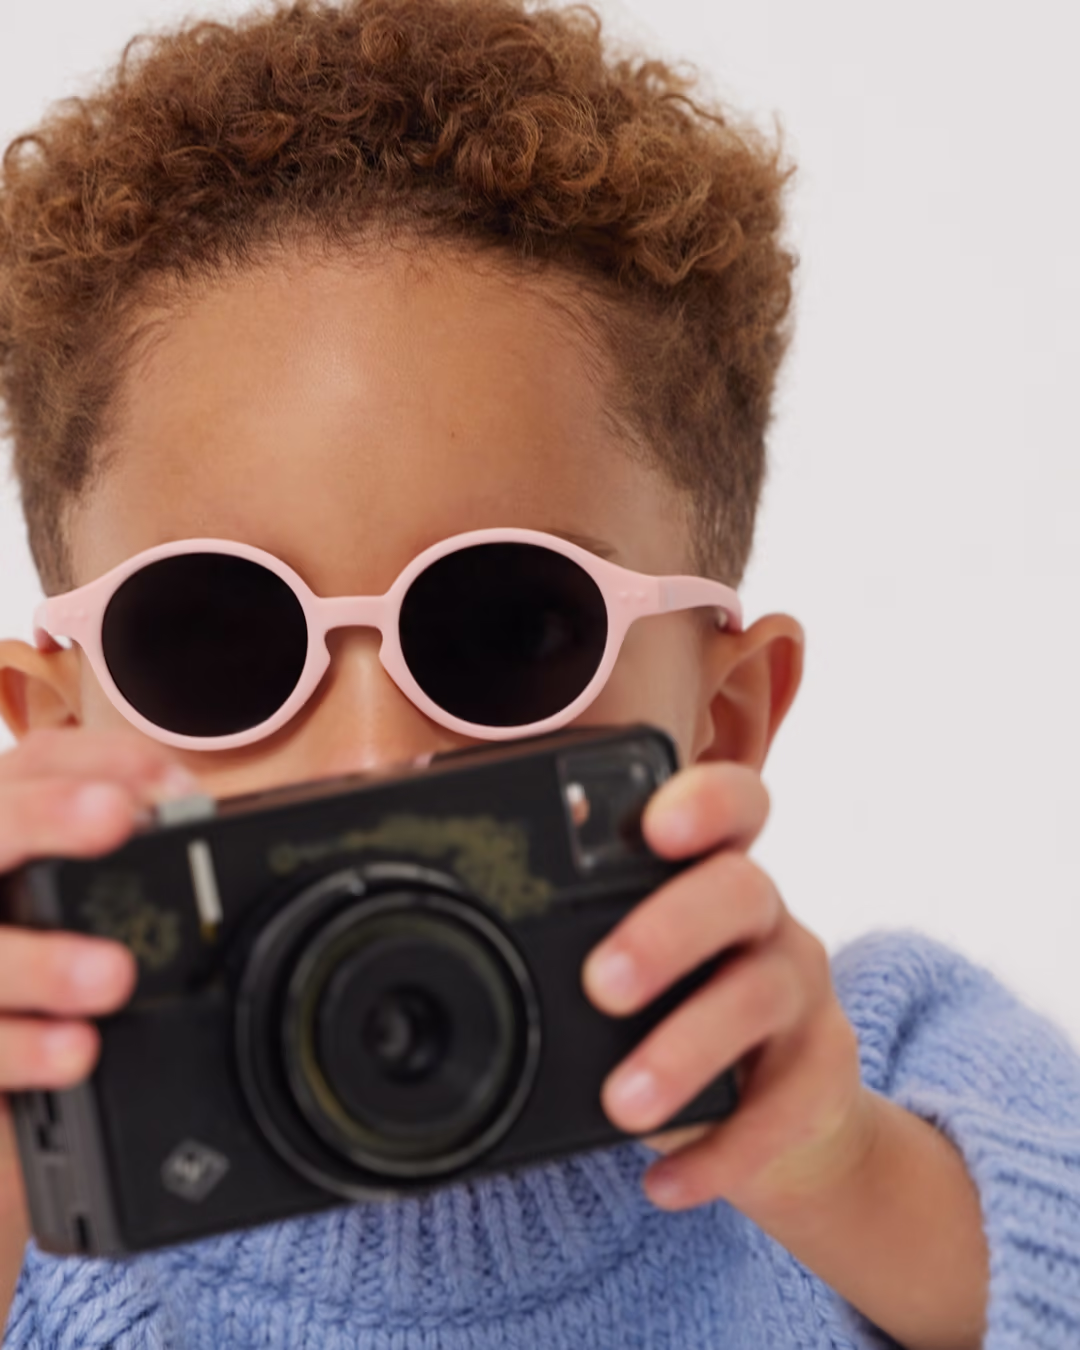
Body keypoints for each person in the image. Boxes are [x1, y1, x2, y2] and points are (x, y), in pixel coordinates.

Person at [0, 1, 1076, 1346]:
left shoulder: (893, 1074)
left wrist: (850, 1176)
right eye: (214, 646)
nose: (375, 754)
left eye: (510, 631)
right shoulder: (44, 1195)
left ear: (722, 716)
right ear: (57, 731)